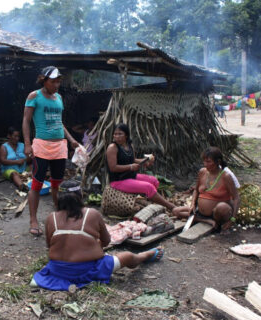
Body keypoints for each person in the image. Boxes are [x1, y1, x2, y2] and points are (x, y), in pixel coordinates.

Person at [30, 180, 164, 291]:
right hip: (89, 269)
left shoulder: (51, 217)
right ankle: (145, 255)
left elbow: (50, 245)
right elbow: (106, 241)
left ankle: (145, 255)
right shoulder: (92, 213)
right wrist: (92, 246)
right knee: (127, 256)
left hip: (58, 271)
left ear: (58, 199)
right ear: (80, 196)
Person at [22, 66, 79, 236]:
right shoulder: (34, 96)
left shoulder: (59, 98)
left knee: (57, 184)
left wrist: (71, 140)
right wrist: (27, 144)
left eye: (58, 81)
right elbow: (26, 120)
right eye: (53, 81)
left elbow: (59, 122)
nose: (57, 84)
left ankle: (59, 215)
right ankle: (33, 220)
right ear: (43, 80)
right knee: (37, 184)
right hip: (41, 145)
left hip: (59, 146)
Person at [106, 123, 175, 211]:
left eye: (120, 134)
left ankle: (149, 203)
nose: (117, 136)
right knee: (148, 187)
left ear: (126, 135)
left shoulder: (129, 146)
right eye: (115, 134)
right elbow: (113, 167)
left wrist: (145, 161)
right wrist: (130, 167)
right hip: (118, 180)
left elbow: (133, 160)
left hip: (131, 176)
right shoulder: (112, 147)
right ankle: (170, 206)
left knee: (154, 181)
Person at [172, 147, 240, 231]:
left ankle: (217, 222)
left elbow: (236, 197)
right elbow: (196, 190)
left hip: (217, 213)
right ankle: (206, 220)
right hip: (199, 211)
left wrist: (233, 219)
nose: (205, 164)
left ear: (218, 162)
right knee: (176, 211)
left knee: (222, 207)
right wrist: (193, 204)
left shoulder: (225, 176)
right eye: (204, 161)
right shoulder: (202, 172)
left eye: (208, 162)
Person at [0, 127, 29, 191]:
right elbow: (2, 160)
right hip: (9, 170)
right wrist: (17, 162)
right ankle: (22, 186)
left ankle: (26, 177)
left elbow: (28, 158)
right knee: (14, 174)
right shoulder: (4, 147)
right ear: (9, 136)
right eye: (15, 136)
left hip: (23, 169)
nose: (17, 138)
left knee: (33, 167)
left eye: (18, 136)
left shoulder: (22, 145)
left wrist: (28, 158)